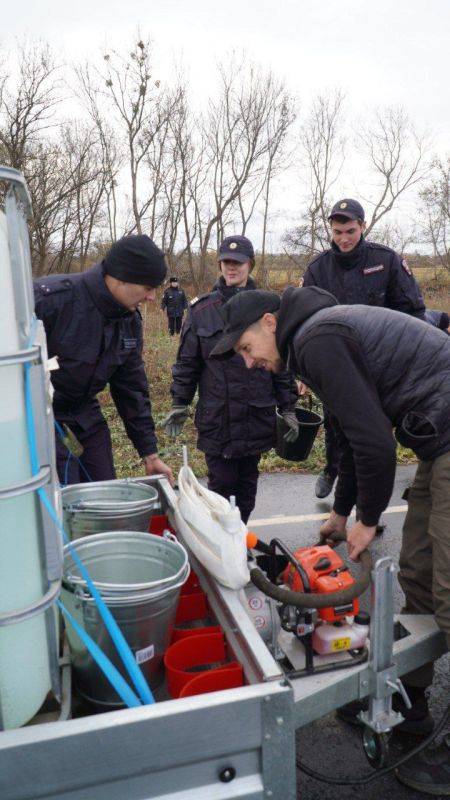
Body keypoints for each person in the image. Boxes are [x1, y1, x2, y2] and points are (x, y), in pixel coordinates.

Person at [211, 286, 450, 796]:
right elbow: (347, 431)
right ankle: (410, 708)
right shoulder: (312, 340)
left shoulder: (319, 338)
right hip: (437, 443)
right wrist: (343, 514)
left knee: (448, 590)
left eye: (246, 347)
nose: (248, 361)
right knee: (418, 572)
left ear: (270, 322)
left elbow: (373, 439)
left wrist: (368, 517)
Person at [162, 235, 298, 524]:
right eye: (226, 262)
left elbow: (281, 362)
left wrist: (288, 407)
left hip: (256, 413)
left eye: (237, 263)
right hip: (218, 416)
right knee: (221, 488)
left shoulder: (269, 308)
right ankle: (223, 543)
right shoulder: (201, 311)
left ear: (250, 264)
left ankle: (240, 537)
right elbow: (187, 362)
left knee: (247, 488)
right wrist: (179, 402)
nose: (231, 268)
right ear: (219, 264)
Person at [302, 198, 426, 500]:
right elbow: (303, 320)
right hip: (336, 364)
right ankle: (332, 469)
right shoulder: (319, 269)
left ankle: (367, 506)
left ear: (363, 226)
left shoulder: (386, 261)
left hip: (380, 366)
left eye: (350, 231)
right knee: (336, 425)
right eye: (338, 231)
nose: (343, 238)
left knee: (373, 434)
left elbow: (412, 313)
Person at [34, 235, 174, 486]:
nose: (152, 297)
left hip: (84, 412)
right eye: (148, 288)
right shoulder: (49, 301)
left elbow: (131, 389)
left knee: (103, 489)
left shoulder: (129, 320)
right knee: (64, 500)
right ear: (121, 277)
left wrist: (149, 453)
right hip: (39, 418)